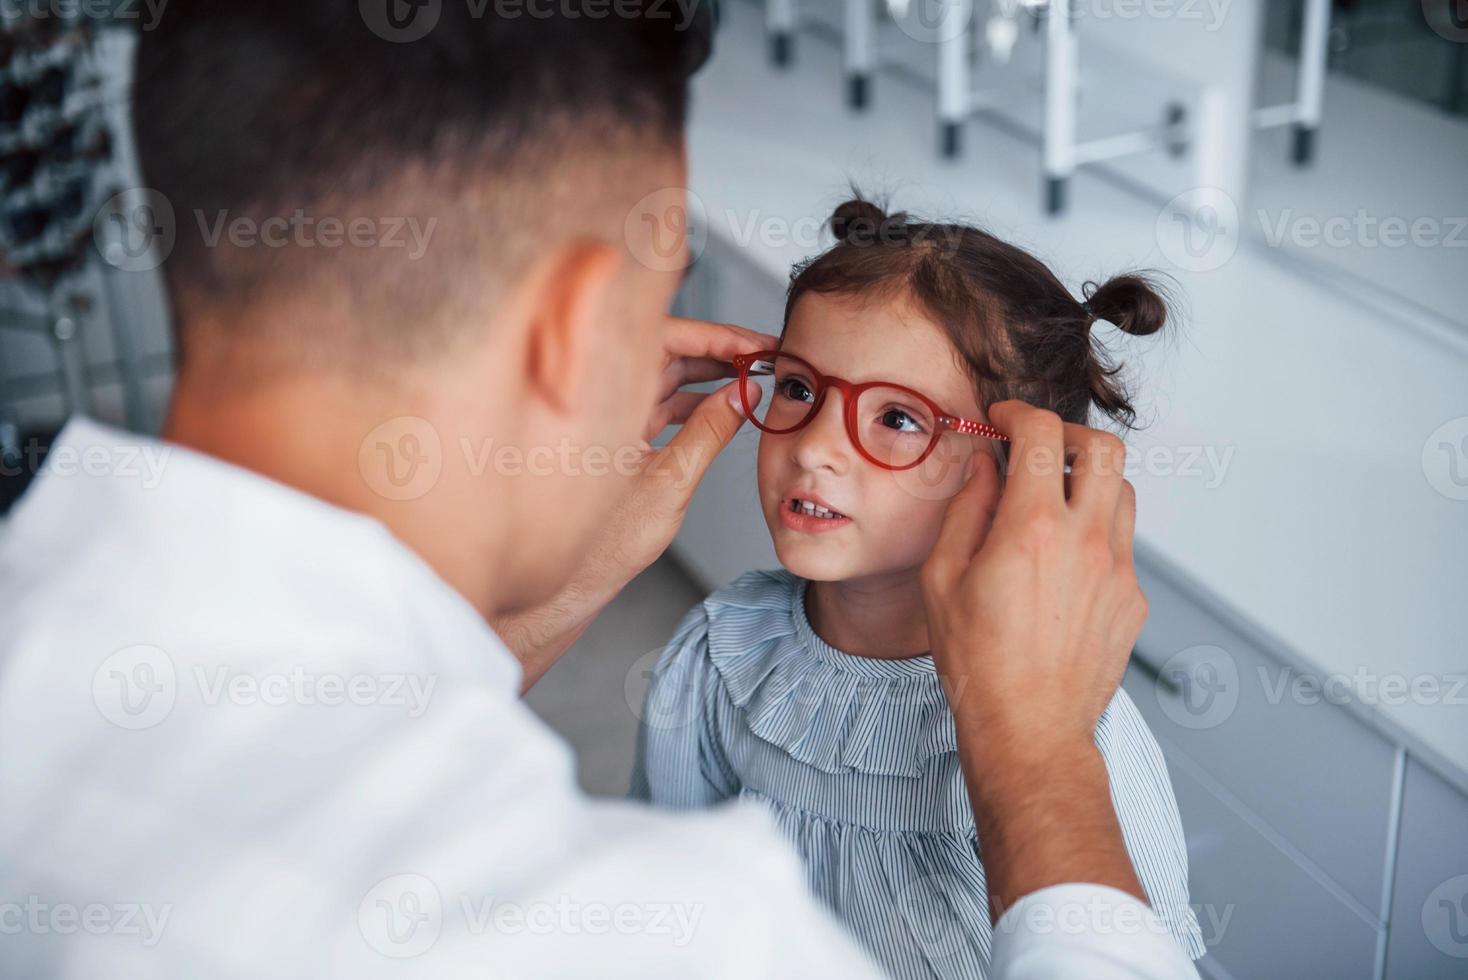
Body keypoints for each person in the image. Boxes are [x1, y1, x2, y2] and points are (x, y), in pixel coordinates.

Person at [0, 3, 1199, 977]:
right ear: (575, 326)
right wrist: (1039, 764)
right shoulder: (677, 913)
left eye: (891, 417)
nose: (821, 445)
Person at [631, 197, 1205, 977]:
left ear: (1014, 467)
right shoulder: (720, 654)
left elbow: (1123, 941)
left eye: (899, 417)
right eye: (799, 388)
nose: (816, 450)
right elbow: (661, 891)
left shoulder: (1071, 728)